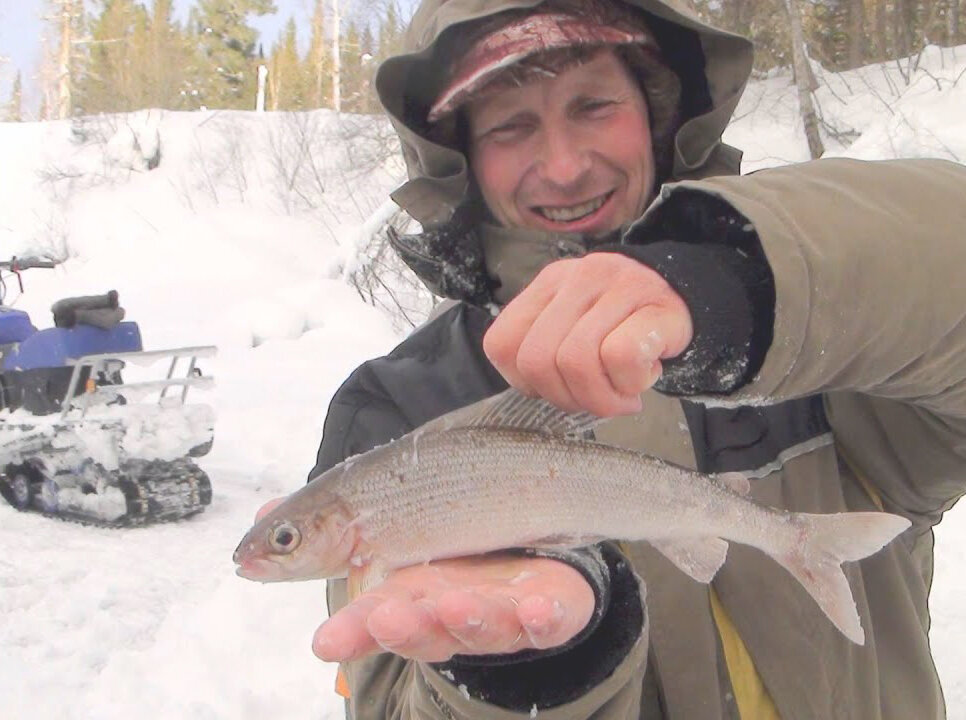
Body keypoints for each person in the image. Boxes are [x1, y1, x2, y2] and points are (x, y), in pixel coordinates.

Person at [266, 0, 966, 716]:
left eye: (594, 105)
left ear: (659, 116)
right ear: (462, 159)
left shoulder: (839, 344)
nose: (564, 166)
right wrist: (525, 672)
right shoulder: (393, 404)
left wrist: (739, 282)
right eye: (511, 125)